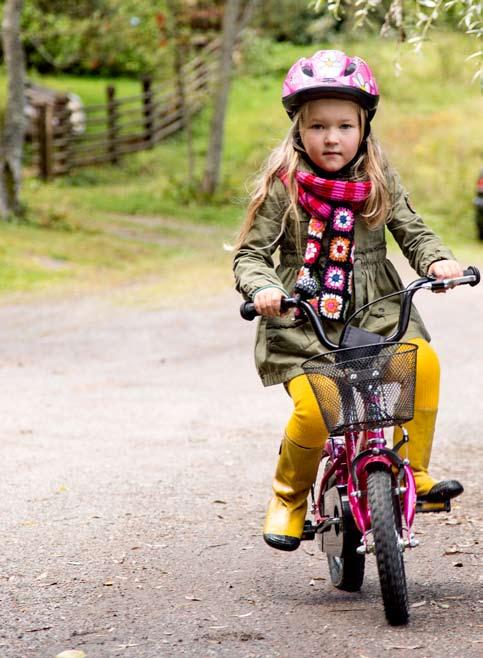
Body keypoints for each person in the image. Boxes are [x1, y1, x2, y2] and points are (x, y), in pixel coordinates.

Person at [233, 49, 464, 552]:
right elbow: (250, 254)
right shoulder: (283, 186)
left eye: (343, 125)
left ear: (363, 127)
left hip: (375, 311)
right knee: (317, 410)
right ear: (298, 129)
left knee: (422, 362)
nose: (331, 138)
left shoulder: (377, 179)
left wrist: (437, 263)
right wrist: (265, 289)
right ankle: (289, 497)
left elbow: (414, 232)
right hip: (302, 317)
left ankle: (416, 473)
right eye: (317, 127)